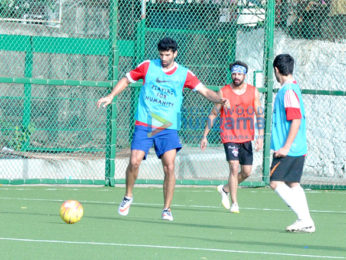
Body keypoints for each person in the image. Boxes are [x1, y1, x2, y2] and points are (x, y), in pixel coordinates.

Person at [97, 37, 229, 221]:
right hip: (145, 122)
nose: (164, 58)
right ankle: (128, 196)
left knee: (169, 167)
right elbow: (126, 80)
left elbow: (204, 91)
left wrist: (218, 99)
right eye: (161, 54)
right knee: (134, 161)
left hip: (168, 126)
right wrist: (111, 96)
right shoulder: (147, 66)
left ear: (175, 53)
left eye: (167, 55)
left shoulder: (184, 74)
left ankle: (166, 209)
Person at [200, 61, 264, 213]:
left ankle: (225, 189)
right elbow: (214, 114)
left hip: (246, 137)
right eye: (234, 73)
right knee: (234, 167)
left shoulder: (253, 91)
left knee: (246, 172)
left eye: (239, 74)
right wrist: (205, 136)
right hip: (229, 136)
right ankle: (235, 203)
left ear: (244, 75)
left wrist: (260, 136)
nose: (236, 76)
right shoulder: (224, 92)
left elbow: (259, 113)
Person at [270, 54, 315, 232]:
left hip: (289, 148)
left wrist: (286, 147)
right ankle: (307, 222)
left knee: (275, 182)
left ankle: (304, 219)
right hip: (297, 146)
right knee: (292, 183)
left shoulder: (288, 90)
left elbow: (295, 119)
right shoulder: (293, 88)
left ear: (276, 70)